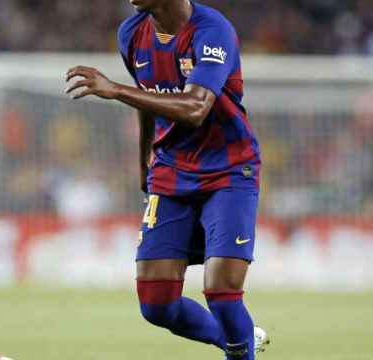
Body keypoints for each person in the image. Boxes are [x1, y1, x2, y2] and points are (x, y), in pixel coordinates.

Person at [65, 0, 267, 358]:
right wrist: (146, 157)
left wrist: (115, 90)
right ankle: (237, 340)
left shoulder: (211, 31)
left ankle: (241, 350)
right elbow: (148, 96)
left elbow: (195, 108)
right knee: (156, 304)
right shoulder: (131, 32)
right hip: (172, 171)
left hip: (228, 169)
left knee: (221, 292)